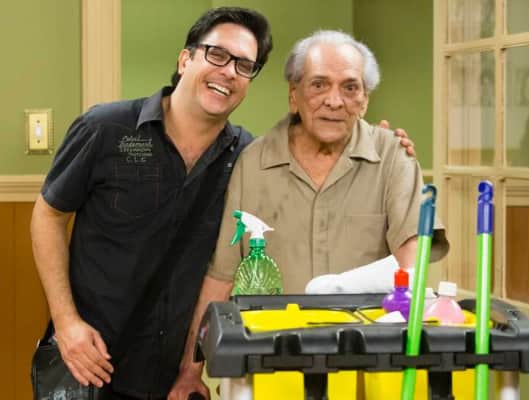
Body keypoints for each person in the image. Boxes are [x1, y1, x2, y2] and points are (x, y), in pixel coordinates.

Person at [31, 7, 414, 399]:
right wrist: (66, 323)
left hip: (169, 378)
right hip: (88, 358)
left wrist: (377, 143)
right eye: (217, 55)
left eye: (244, 65)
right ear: (185, 59)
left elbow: (222, 271)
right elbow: (48, 215)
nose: (229, 72)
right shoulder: (107, 128)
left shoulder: (246, 157)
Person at [173, 30, 448, 399]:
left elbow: (409, 270)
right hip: (272, 369)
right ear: (294, 95)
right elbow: (221, 275)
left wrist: (337, 290)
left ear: (365, 100)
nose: (334, 100)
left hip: (367, 374)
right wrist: (191, 371)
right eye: (319, 85)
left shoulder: (393, 157)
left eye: (350, 87)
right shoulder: (253, 163)